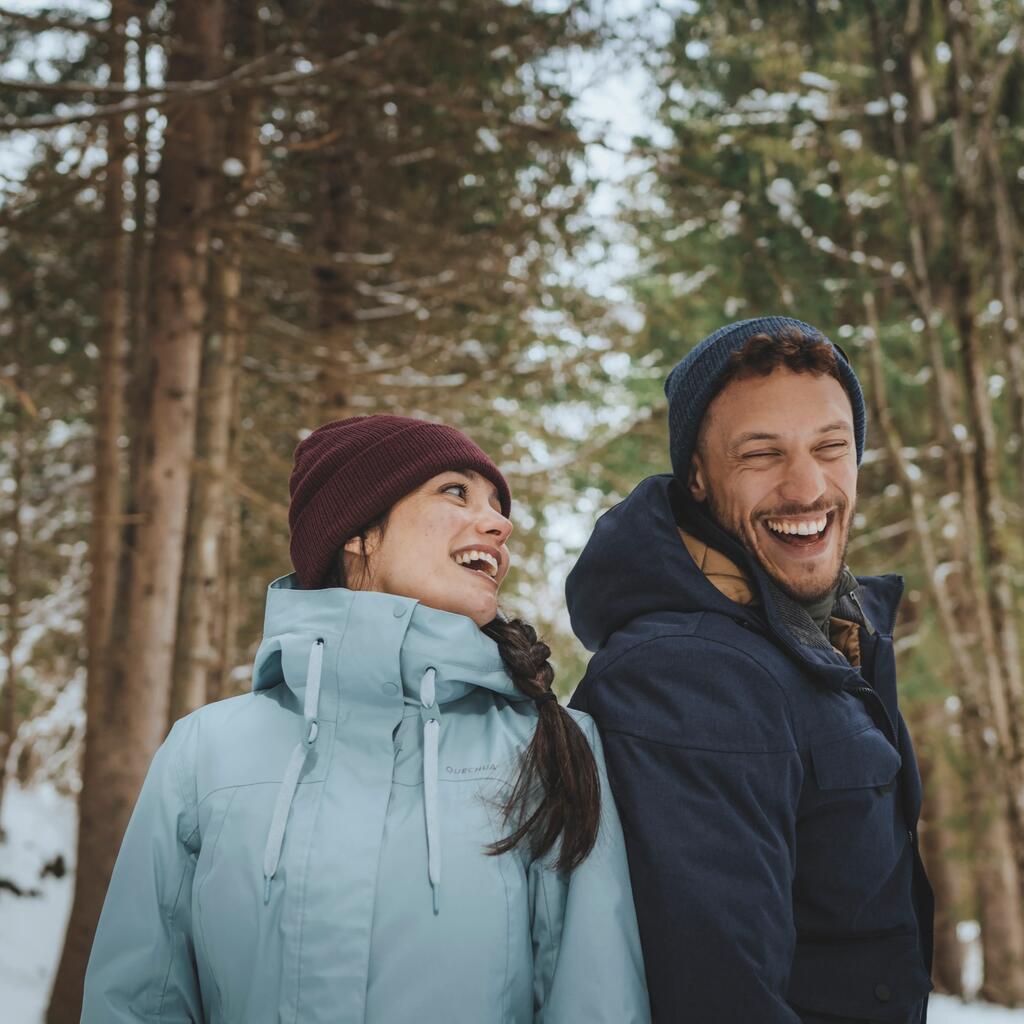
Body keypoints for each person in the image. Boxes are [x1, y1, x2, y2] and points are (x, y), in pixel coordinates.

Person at [82, 414, 650, 1023]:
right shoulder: (205, 752)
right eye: (455, 491)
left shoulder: (552, 745)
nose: (500, 523)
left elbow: (595, 1002)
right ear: (357, 533)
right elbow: (138, 1002)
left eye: (497, 507)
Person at [567, 318, 934, 1023]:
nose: (807, 488)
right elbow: (718, 998)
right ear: (698, 477)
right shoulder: (687, 674)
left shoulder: (823, 639)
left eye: (831, 448)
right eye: (762, 455)